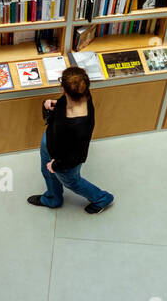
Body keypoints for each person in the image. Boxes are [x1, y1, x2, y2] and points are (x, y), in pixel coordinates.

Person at [26, 66, 114, 214]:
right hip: (51, 143)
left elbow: (77, 155)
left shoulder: (78, 125)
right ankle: (53, 198)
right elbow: (66, 103)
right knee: (46, 172)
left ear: (63, 89)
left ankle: (102, 198)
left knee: (73, 182)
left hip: (62, 160)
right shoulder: (81, 93)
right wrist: (55, 103)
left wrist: (57, 165)